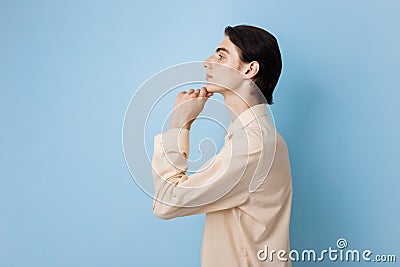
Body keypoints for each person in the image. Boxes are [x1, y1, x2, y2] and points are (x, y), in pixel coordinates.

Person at [151, 25, 293, 267]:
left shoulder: (252, 145)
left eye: (221, 55)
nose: (208, 62)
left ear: (250, 69)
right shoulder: (252, 137)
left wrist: (178, 124)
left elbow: (167, 203)